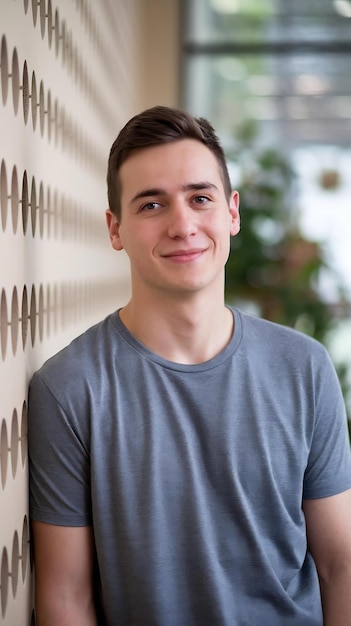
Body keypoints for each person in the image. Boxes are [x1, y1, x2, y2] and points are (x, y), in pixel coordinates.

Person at [28, 105, 351, 626]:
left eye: (200, 198)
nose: (183, 225)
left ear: (232, 213)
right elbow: (66, 599)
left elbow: (341, 567)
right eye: (151, 204)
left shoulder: (305, 369)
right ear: (116, 229)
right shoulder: (69, 388)